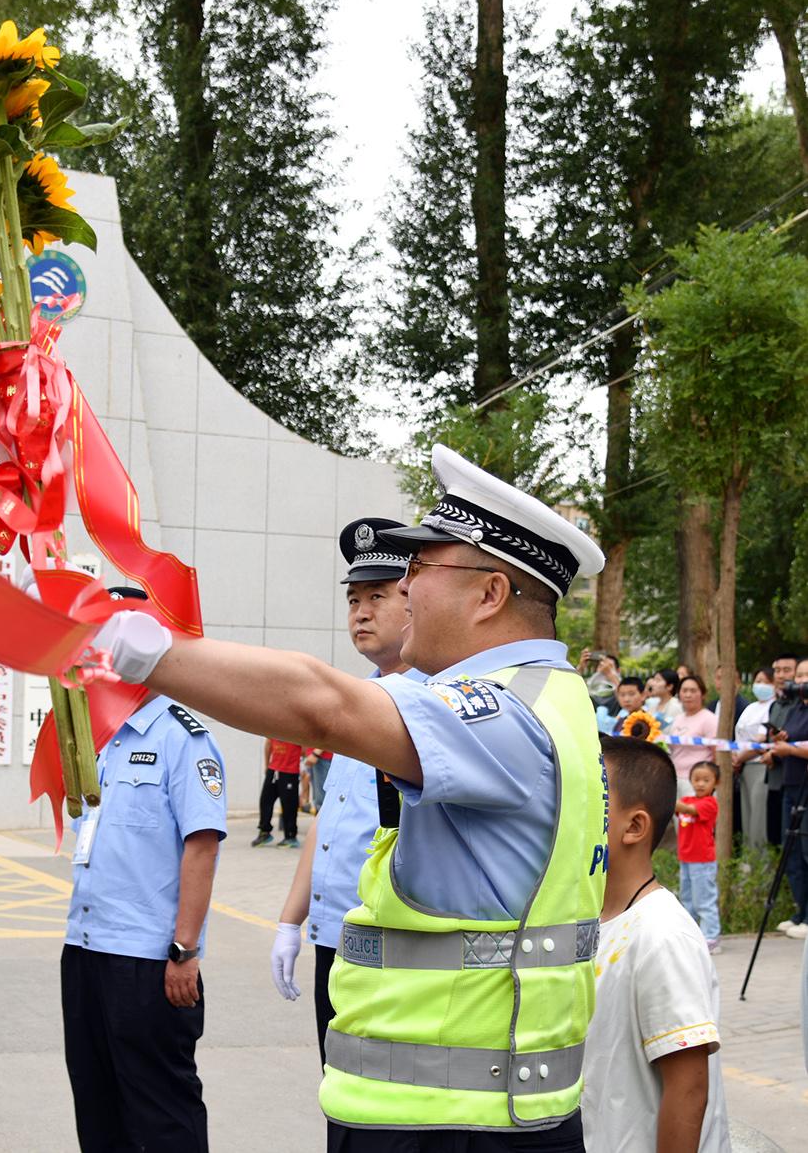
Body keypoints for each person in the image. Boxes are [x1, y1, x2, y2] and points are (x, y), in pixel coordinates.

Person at [91, 443, 607, 1147]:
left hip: (450, 1122)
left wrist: (145, 651)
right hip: (466, 1109)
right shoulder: (550, 698)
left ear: (490, 594)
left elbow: (322, 706)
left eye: (421, 568)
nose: (405, 588)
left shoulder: (500, 712)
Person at [59, 586, 226, 1151]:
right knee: (96, 1104)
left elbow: (202, 847)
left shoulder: (183, 738)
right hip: (85, 947)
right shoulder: (97, 739)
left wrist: (185, 950)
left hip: (149, 960)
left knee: (161, 1114)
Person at [272, 517, 423, 1065]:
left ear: (415, 602)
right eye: (354, 599)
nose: (361, 611)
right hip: (332, 934)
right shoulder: (361, 697)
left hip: (391, 941)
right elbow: (329, 819)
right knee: (335, 1088)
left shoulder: (431, 704)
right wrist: (291, 920)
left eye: (378, 596)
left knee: (377, 1095)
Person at [583, 735, 730, 1152]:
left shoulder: (662, 934)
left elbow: (688, 1089)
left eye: (586, 800)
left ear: (634, 827)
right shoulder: (590, 918)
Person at [762, 655, 808, 940]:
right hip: (790, 786)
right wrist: (780, 744)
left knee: (807, 851)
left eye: (805, 675)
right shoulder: (796, 708)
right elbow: (792, 740)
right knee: (791, 852)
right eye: (799, 675)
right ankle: (800, 912)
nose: (801, 681)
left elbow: (798, 746)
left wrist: (790, 750)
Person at [675, 760, 722, 952]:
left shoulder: (710, 803)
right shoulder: (686, 800)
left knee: (704, 901)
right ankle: (692, 936)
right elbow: (682, 808)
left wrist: (669, 799)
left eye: (706, 780)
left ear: (716, 783)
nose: (700, 784)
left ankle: (711, 938)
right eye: (696, 779)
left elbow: (689, 811)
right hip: (686, 858)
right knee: (687, 901)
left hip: (702, 861)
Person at [732, 666, 778, 847]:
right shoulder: (751, 708)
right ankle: (748, 855)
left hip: (760, 765)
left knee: (759, 816)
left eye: (765, 682)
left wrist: (740, 758)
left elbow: (761, 739)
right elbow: (738, 736)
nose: (760, 685)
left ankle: (760, 858)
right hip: (744, 767)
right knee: (747, 813)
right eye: (757, 681)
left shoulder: (773, 707)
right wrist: (735, 757)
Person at [669, 675, 718, 795]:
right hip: (675, 778)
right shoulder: (678, 719)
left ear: (703, 694)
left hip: (697, 782)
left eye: (693, 691)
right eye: (684, 691)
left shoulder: (709, 719)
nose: (688, 695)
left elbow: (716, 752)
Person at [254, 736, 302, 847]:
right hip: (273, 769)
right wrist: (267, 765)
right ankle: (264, 832)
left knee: (289, 805)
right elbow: (268, 744)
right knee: (265, 800)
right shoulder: (275, 729)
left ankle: (290, 837)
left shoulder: (296, 731)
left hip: (290, 772)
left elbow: (305, 750)